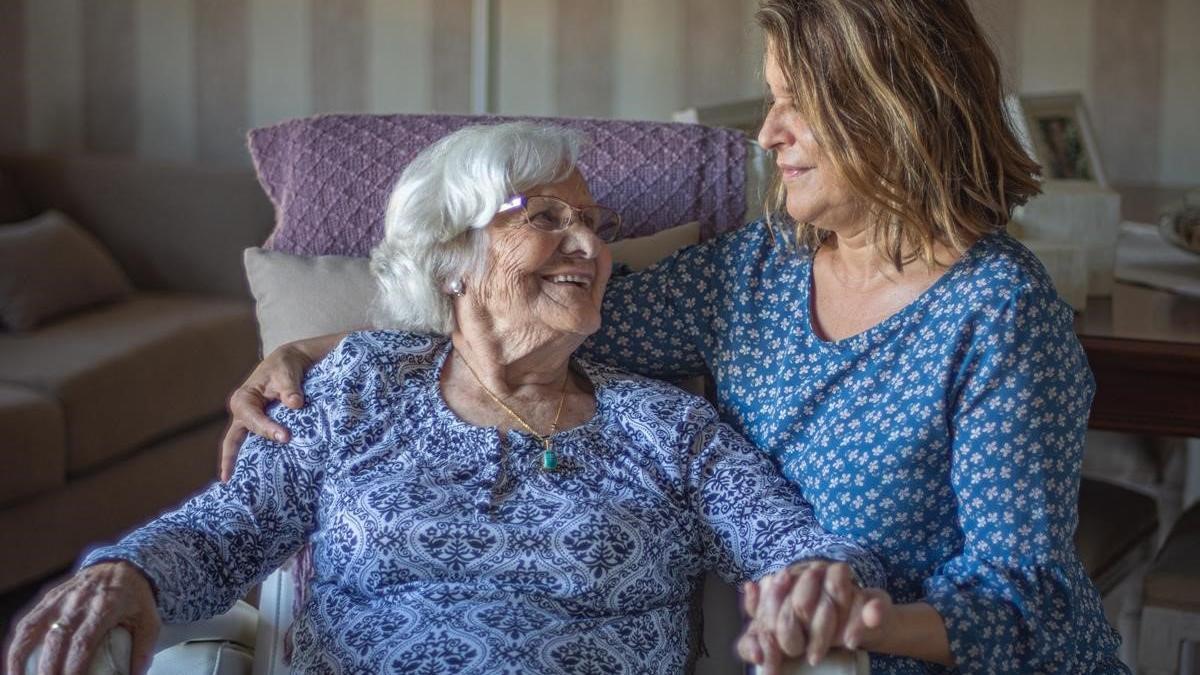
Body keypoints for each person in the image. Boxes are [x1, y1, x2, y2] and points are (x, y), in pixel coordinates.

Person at [217, 1, 1128, 672]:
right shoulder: (760, 266)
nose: (767, 134)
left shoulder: (1001, 314)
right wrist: (322, 346)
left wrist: (857, 619)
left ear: (891, 106)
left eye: (794, 104)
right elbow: (543, 316)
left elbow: (1029, 601)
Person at [7, 123, 887, 675]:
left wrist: (812, 583)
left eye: (596, 225)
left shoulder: (667, 426)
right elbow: (228, 528)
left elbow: (792, 545)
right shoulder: (359, 386)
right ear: (452, 255)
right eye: (544, 215)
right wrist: (122, 565)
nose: (587, 243)